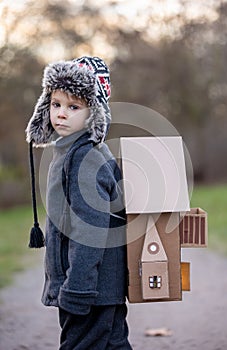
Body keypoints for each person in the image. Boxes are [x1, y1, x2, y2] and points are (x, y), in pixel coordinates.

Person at [26, 56, 132, 349]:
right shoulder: (71, 151)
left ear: (94, 114)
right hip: (99, 289)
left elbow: (90, 230)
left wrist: (77, 289)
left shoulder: (84, 159)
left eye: (74, 107)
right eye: (56, 104)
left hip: (88, 290)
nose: (61, 114)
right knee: (111, 344)